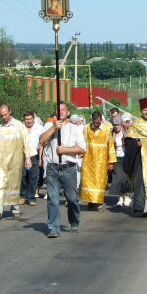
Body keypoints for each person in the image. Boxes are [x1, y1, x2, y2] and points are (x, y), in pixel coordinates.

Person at [38, 102, 86, 238]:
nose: (60, 112)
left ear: (68, 112)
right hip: (53, 167)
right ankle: (53, 228)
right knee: (52, 199)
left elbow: (82, 148)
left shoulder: (75, 128)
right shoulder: (49, 126)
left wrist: (66, 150)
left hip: (68, 168)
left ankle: (74, 221)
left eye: (63, 110)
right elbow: (41, 141)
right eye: (58, 110)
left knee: (72, 199)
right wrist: (54, 127)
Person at [0, 104, 30, 220]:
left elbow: (26, 142)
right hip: (1, 162)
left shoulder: (19, 126)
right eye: (1, 115)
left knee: (13, 184)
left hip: (15, 161)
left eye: (5, 114)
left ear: (10, 112)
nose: (4, 117)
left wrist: (27, 157)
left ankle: (15, 207)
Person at [80, 111, 117, 210]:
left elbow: (111, 146)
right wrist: (80, 154)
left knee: (100, 182)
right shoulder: (87, 127)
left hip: (102, 160)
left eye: (97, 122)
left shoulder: (106, 129)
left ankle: (98, 201)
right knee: (88, 181)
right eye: (94, 122)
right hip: (89, 158)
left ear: (101, 119)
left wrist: (111, 162)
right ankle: (91, 201)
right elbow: (82, 142)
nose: (95, 124)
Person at [20, 111, 43, 207]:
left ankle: (31, 198)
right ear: (24, 120)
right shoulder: (20, 128)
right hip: (22, 156)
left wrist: (41, 158)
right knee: (22, 177)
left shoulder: (39, 128)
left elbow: (41, 144)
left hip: (34, 155)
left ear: (33, 119)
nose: (28, 121)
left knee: (33, 178)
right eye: (26, 119)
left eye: (30, 119)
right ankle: (23, 196)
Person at [108, 116, 131, 207]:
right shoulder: (111, 134)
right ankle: (120, 198)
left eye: (117, 124)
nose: (116, 126)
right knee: (118, 179)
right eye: (114, 125)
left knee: (125, 179)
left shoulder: (126, 133)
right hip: (116, 159)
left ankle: (127, 197)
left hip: (125, 158)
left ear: (121, 124)